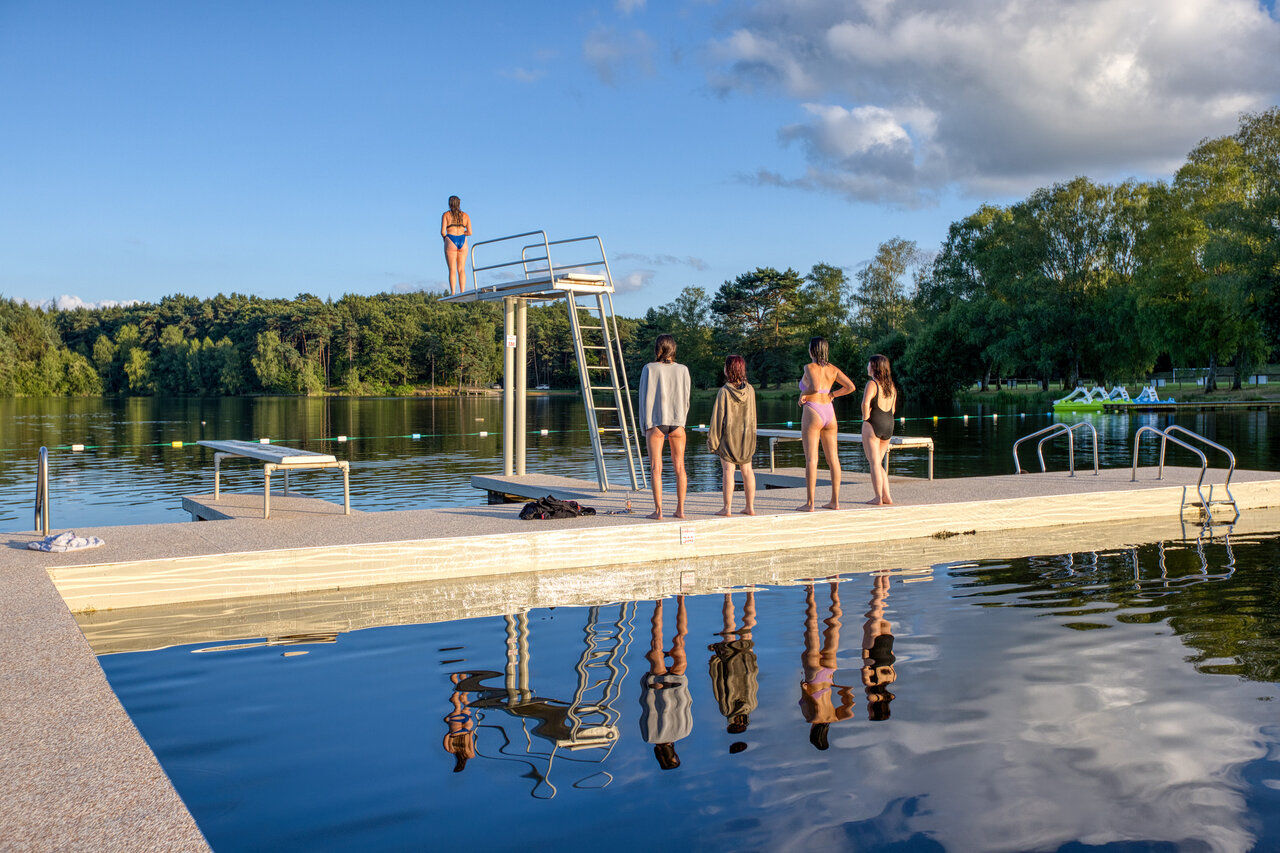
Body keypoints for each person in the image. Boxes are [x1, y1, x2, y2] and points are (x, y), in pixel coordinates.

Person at [795, 337, 857, 512]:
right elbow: (850, 386)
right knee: (833, 459)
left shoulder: (809, 367)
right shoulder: (833, 369)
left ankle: (810, 503)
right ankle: (835, 501)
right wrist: (834, 395)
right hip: (829, 412)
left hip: (813, 410)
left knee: (812, 459)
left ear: (812, 350)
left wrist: (803, 395)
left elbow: (814, 387)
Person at [637, 334, 691, 519]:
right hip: (678, 422)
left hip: (656, 422)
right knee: (680, 468)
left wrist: (644, 425)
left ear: (658, 349)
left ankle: (658, 511)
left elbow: (643, 398)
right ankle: (680, 510)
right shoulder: (683, 369)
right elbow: (686, 397)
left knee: (655, 468)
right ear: (673, 348)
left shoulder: (649, 368)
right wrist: (682, 420)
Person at [798, 581, 857, 750]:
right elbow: (811, 704)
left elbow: (850, 705)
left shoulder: (836, 717)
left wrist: (840, 688)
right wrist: (804, 689)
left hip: (829, 674)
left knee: (834, 624)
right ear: (812, 733)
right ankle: (811, 588)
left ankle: (835, 585)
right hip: (813, 679)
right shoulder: (812, 719)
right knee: (812, 626)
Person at [639, 597, 692, 770]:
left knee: (680, 640)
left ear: (674, 753)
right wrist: (647, 684)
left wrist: (679, 685)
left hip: (676, 686)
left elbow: (686, 704)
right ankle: (659, 602)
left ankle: (681, 600)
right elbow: (646, 709)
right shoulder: (648, 737)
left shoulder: (684, 732)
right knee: (657, 642)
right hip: (656, 688)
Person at [707, 354, 757, 516]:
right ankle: (750, 507)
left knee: (728, 470)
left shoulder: (724, 392)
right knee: (747, 470)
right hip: (747, 436)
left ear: (728, 369)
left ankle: (727, 508)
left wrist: (712, 442)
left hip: (729, 437)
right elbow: (753, 415)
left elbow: (717, 418)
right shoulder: (750, 390)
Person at [708, 590, 759, 748]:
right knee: (734, 628)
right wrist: (714, 663)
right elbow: (719, 686)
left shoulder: (746, 707)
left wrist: (715, 664)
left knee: (744, 628)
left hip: (743, 664)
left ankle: (748, 591)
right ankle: (734, 592)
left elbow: (720, 687)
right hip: (737, 665)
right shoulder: (729, 710)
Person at [860, 353, 897, 505]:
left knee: (874, 462)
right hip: (888, 424)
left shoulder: (872, 384)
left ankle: (877, 497)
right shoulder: (891, 386)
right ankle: (886, 495)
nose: (867, 366)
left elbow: (865, 402)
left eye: (869, 364)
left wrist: (865, 416)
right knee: (878, 462)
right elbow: (893, 409)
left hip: (873, 423)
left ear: (874, 367)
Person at [861, 573, 897, 721]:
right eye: (870, 712)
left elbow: (893, 660)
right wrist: (865, 648)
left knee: (882, 604)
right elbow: (865, 666)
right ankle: (878, 571)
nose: (868, 710)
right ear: (874, 710)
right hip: (873, 650)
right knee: (875, 607)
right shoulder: (870, 688)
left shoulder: (892, 679)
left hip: (888, 644)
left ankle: (885, 571)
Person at [440, 195, 472, 296]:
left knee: (452, 269)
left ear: (450, 204)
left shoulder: (446, 215)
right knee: (461, 269)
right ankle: (462, 291)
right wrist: (462, 232)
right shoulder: (465, 216)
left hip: (450, 239)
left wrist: (445, 239)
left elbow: (442, 232)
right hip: (463, 240)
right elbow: (470, 232)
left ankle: (453, 292)